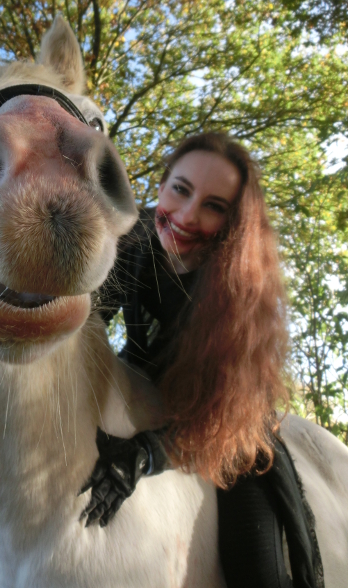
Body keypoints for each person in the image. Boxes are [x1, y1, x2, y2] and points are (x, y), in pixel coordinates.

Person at [85, 131, 322, 588]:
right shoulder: (131, 238)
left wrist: (143, 456)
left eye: (214, 206)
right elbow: (85, 318)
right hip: (139, 389)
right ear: (161, 187)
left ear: (233, 223)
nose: (187, 216)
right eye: (181, 189)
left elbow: (221, 420)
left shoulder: (239, 295)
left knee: (258, 573)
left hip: (227, 432)